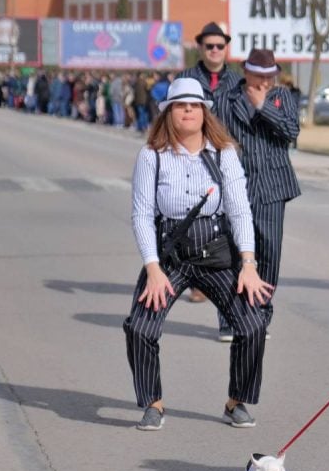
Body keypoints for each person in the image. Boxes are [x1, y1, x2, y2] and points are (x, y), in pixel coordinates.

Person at [122, 77, 273, 431]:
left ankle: (236, 402)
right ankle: (153, 404)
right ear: (169, 112)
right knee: (140, 328)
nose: (188, 110)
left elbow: (239, 210)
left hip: (216, 253)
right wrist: (153, 269)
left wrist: (248, 265)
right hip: (170, 257)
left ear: (205, 112)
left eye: (194, 105)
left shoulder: (224, 153)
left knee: (253, 325)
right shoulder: (151, 156)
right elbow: (142, 214)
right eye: (180, 105)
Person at [213, 48, 301, 337]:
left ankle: (260, 314)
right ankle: (230, 317)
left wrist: (264, 107)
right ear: (245, 71)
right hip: (237, 186)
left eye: (269, 77)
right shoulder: (225, 99)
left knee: (270, 252)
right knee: (235, 252)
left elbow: (291, 131)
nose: (264, 82)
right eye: (258, 76)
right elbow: (214, 140)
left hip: (273, 186)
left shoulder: (282, 97)